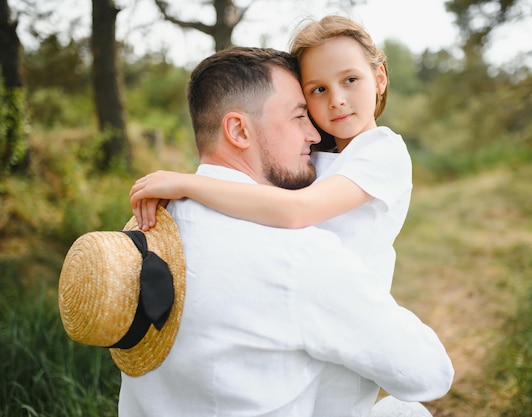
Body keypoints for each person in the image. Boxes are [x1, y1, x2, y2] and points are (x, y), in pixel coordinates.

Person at [120, 46, 453, 416]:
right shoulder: (296, 254)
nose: (314, 134)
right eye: (299, 116)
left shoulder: (148, 228)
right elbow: (429, 374)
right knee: (407, 412)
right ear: (238, 130)